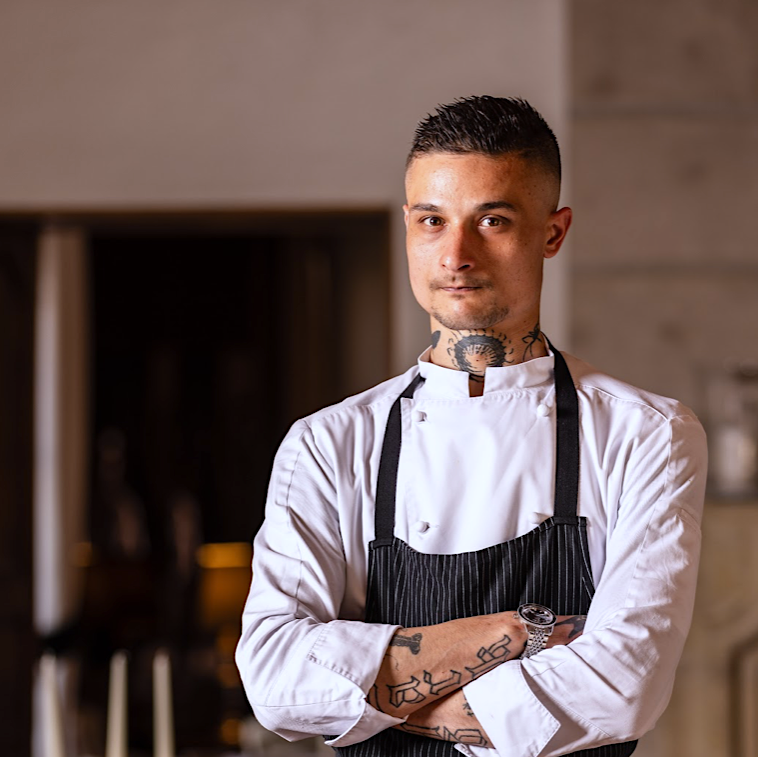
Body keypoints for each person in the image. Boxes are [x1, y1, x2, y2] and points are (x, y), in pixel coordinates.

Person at [236, 96, 707, 756]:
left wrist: (368, 696)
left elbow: (622, 687)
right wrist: (516, 633)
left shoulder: (646, 436)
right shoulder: (328, 444)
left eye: (492, 220)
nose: (455, 255)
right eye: (432, 220)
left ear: (553, 233)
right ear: (408, 226)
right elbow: (275, 681)